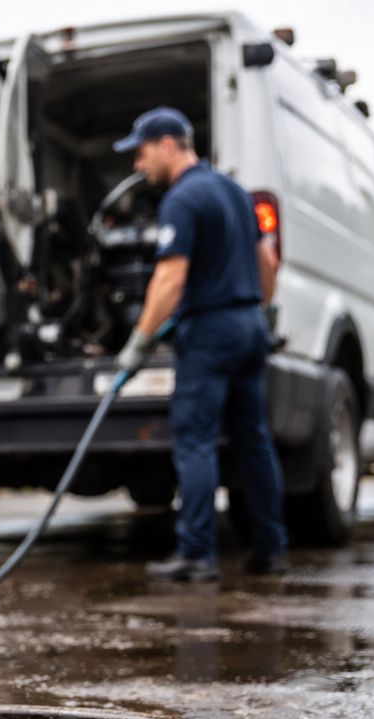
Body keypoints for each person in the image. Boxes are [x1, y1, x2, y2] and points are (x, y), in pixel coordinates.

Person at [113, 106, 289, 582]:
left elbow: (170, 279)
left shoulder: (182, 199)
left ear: (168, 145)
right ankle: (270, 549)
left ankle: (196, 554)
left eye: (142, 153)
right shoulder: (233, 190)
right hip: (250, 327)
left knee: (195, 441)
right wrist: (261, 310)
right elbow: (265, 260)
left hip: (210, 333)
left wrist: (139, 342)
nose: (137, 164)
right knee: (253, 440)